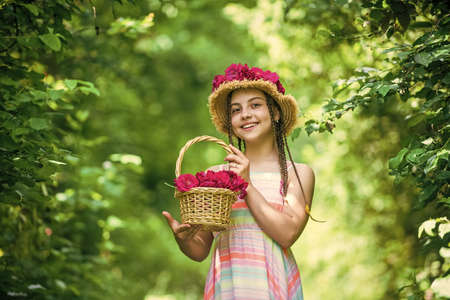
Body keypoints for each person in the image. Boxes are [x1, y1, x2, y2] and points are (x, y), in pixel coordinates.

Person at [162, 63, 319, 299]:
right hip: (229, 286)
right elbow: (200, 249)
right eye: (236, 110)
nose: (245, 114)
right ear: (231, 122)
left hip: (272, 286)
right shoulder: (217, 176)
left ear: (275, 113)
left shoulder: (298, 173)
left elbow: (287, 235)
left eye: (255, 105)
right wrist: (184, 240)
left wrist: (247, 185)